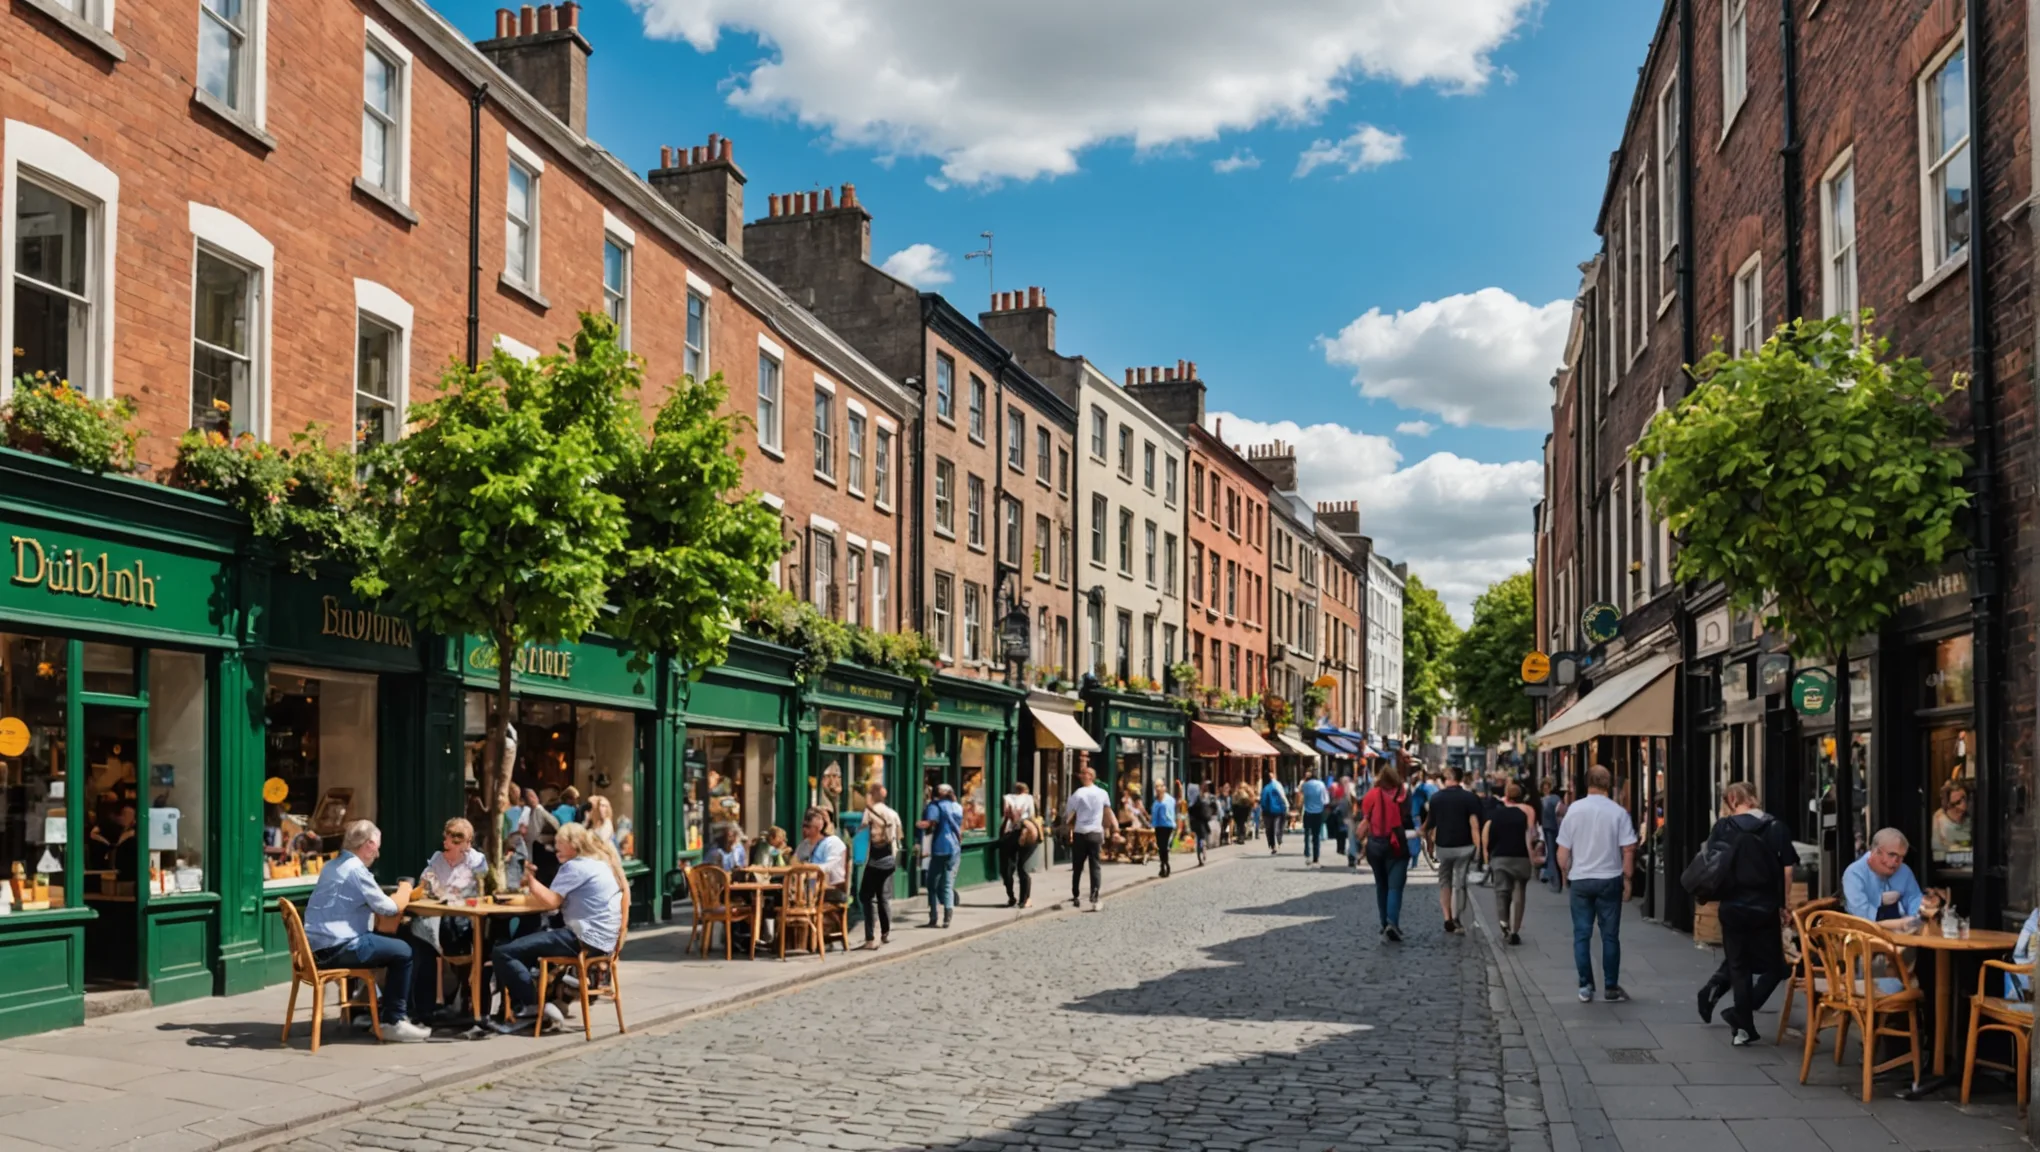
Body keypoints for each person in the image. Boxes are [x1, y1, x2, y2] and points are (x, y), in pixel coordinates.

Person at [301, 820, 431, 1042]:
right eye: (377, 847)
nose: (378, 854)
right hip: (338, 949)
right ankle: (393, 1021)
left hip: (315, 950)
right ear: (369, 844)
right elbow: (390, 908)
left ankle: (367, 1010)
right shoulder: (355, 870)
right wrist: (406, 889)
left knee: (385, 944)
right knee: (403, 950)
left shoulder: (332, 865)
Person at [489, 822, 624, 1034]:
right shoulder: (599, 864)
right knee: (527, 947)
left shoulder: (574, 866)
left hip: (582, 938)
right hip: (604, 942)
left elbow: (551, 902)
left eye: (560, 842)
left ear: (575, 844)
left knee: (503, 952)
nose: (556, 846)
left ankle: (533, 1008)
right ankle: (540, 998)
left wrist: (530, 881)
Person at [1692, 782, 1799, 1047]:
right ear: (1753, 797)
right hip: (1764, 906)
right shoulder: (1776, 827)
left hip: (1732, 906)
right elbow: (1788, 870)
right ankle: (1741, 1017)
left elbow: (1711, 863)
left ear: (1731, 800)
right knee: (1776, 967)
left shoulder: (1723, 828)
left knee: (1739, 967)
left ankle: (1743, 1027)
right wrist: (1784, 904)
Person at [1556, 765, 1638, 1003]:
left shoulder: (1574, 810)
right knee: (1610, 936)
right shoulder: (1618, 812)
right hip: (1609, 878)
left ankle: (1585, 986)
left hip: (1581, 879)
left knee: (1581, 934)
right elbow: (1629, 848)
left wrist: (1566, 872)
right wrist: (1628, 879)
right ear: (1608, 784)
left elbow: (1562, 852)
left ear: (1587, 782)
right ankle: (1611, 987)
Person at [1422, 765, 1483, 934]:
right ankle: (1457, 918)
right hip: (1465, 846)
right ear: (1461, 779)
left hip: (1444, 846)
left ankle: (1447, 917)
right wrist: (1479, 848)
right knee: (1460, 883)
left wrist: (1429, 846)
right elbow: (1474, 825)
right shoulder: (1470, 798)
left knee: (1444, 882)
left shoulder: (1436, 798)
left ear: (1446, 779)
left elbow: (1430, 825)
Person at [1356, 764, 1411, 941]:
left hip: (1374, 844)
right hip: (1396, 843)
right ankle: (1392, 923)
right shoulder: (1402, 793)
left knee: (1381, 884)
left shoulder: (1371, 794)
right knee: (1395, 886)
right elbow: (1407, 815)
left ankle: (1383, 923)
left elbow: (1365, 816)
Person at [1842, 828, 1945, 923]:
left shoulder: (1904, 870)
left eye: (1901, 857)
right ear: (1876, 852)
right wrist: (1880, 901)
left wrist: (1925, 904)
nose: (1896, 862)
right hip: (1864, 936)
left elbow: (1913, 901)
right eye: (1892, 855)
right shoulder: (1853, 874)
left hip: (1902, 935)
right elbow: (1862, 916)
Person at [1484, 782, 1541, 946]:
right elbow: (1531, 835)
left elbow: (1491, 836)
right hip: (1521, 857)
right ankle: (1515, 931)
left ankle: (1504, 924)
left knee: (1501, 892)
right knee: (1519, 893)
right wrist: (1534, 854)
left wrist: (1489, 854)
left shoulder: (1496, 814)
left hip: (1500, 857)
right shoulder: (1525, 813)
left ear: (1506, 796)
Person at [1060, 757, 1113, 912]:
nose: (1082, 776)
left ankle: (1076, 895)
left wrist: (1065, 825)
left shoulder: (1078, 793)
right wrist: (1109, 828)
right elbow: (1107, 812)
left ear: (1090, 777)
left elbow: (1068, 813)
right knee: (1095, 865)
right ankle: (1094, 894)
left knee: (1078, 866)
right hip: (1096, 833)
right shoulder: (1103, 793)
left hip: (1081, 833)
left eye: (1084, 774)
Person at [858, 783, 903, 949]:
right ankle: (885, 932)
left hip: (874, 860)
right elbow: (900, 835)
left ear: (872, 795)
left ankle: (870, 938)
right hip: (890, 859)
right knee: (884, 897)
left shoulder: (870, 812)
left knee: (866, 896)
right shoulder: (893, 813)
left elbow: (862, 831)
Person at [918, 783, 965, 928]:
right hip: (955, 848)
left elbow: (931, 823)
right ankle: (947, 917)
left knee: (932, 884)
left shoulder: (935, 806)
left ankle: (933, 917)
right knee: (948, 884)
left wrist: (918, 824)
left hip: (940, 847)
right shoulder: (957, 807)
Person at [1000, 781, 1037, 908]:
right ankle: (1024, 900)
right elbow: (1032, 815)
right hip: (1025, 833)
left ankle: (1012, 897)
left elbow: (1004, 815)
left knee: (1007, 868)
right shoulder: (1029, 798)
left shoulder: (1006, 798)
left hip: (1009, 834)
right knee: (1022, 868)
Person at [1932, 782, 1973, 860]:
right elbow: (1935, 847)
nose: (1962, 807)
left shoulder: (1970, 820)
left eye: (1964, 799)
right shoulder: (1938, 820)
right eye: (1955, 804)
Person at [1539, 778, 1565, 891]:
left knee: (1552, 852)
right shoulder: (1543, 799)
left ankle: (1551, 876)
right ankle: (1550, 874)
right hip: (1546, 827)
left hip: (1552, 827)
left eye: (1547, 786)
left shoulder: (1554, 798)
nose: (1546, 788)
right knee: (1551, 851)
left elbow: (1561, 811)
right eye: (1544, 787)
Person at [1299, 767, 1329, 865]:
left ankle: (1307, 853)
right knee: (1316, 836)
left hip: (1307, 812)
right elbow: (1326, 800)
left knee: (1307, 834)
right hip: (1318, 813)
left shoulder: (1305, 785)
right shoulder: (1321, 785)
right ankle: (1316, 858)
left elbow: (1301, 795)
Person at [1150, 781, 1178, 879]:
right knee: (1161, 847)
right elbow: (1154, 816)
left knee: (1165, 846)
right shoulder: (1155, 802)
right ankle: (1163, 865)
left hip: (1169, 826)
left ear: (1164, 788)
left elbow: (1175, 809)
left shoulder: (1170, 799)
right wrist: (1152, 827)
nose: (1158, 788)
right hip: (1158, 827)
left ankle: (1165, 865)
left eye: (1160, 786)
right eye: (1156, 787)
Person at [1258, 768, 1289, 855]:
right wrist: (1286, 805)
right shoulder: (1276, 785)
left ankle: (1273, 846)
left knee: (1269, 829)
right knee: (1278, 827)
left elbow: (1263, 801)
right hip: (1278, 810)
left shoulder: (1265, 788)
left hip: (1267, 812)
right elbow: (1282, 796)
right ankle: (1278, 841)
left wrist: (1263, 810)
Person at [1187, 779, 1215, 867]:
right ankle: (1203, 851)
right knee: (1202, 838)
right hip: (1201, 823)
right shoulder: (1200, 800)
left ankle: (1200, 854)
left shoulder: (1190, 802)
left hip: (1194, 823)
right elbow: (1205, 810)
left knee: (1199, 838)